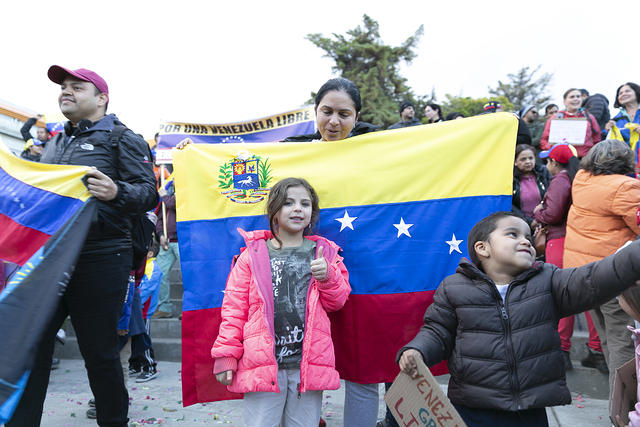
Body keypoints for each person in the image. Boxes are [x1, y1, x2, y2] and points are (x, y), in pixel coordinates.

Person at [7, 66, 158, 427]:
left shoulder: (123, 137)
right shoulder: (55, 143)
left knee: (100, 353)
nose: (66, 92)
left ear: (102, 98)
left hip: (102, 258)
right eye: (63, 87)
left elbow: (148, 193)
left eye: (77, 87)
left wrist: (117, 191)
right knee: (32, 347)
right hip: (50, 259)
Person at [397, 210, 640, 427]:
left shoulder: (549, 280)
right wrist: (418, 350)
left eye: (528, 237)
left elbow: (593, 279)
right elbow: (437, 331)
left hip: (529, 411)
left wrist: (634, 254)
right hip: (471, 409)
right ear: (483, 248)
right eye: (512, 234)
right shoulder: (454, 287)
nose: (526, 240)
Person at [211, 177, 350, 427]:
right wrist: (226, 355)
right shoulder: (251, 255)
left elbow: (337, 302)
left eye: (305, 204)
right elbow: (234, 309)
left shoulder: (325, 254)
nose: (298, 209)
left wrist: (329, 277)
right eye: (288, 203)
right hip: (263, 365)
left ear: (312, 213)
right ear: (274, 212)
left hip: (307, 366)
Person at [563, 139, 640, 400]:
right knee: (624, 343)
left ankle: (616, 403)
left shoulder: (582, 179)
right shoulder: (625, 187)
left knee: (608, 340)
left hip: (584, 276)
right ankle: (625, 410)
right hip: (615, 277)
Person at [531, 144, 605, 372]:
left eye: (548, 161)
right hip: (580, 240)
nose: (546, 165)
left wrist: (537, 212)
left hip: (559, 242)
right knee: (589, 297)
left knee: (562, 295)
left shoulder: (560, 181)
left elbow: (552, 214)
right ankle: (596, 350)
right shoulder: (582, 178)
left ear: (554, 162)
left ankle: (562, 350)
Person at [540, 88, 601, 158]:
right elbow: (544, 140)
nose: (576, 99)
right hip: (561, 160)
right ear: (564, 101)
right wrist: (554, 148)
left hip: (584, 159)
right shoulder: (555, 118)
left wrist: (592, 154)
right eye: (572, 97)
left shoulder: (589, 117)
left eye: (578, 96)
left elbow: (597, 138)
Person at [153, 179, 179, 318]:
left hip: (183, 241)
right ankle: (164, 307)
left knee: (188, 276)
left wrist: (164, 196)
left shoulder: (187, 195)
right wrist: (161, 235)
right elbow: (160, 219)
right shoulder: (168, 196)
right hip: (167, 242)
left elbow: (174, 204)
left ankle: (188, 309)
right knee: (160, 274)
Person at [512, 144, 550, 226]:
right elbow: (512, 206)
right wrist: (530, 222)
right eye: (523, 159)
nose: (528, 161)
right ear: (515, 162)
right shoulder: (511, 180)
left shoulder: (543, 173)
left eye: (531, 158)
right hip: (521, 224)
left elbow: (552, 196)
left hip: (545, 221)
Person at [604, 82, 640, 163]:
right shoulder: (616, 120)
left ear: (636, 92)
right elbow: (607, 143)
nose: (623, 94)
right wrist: (606, 130)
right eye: (620, 93)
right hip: (627, 164)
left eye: (627, 91)